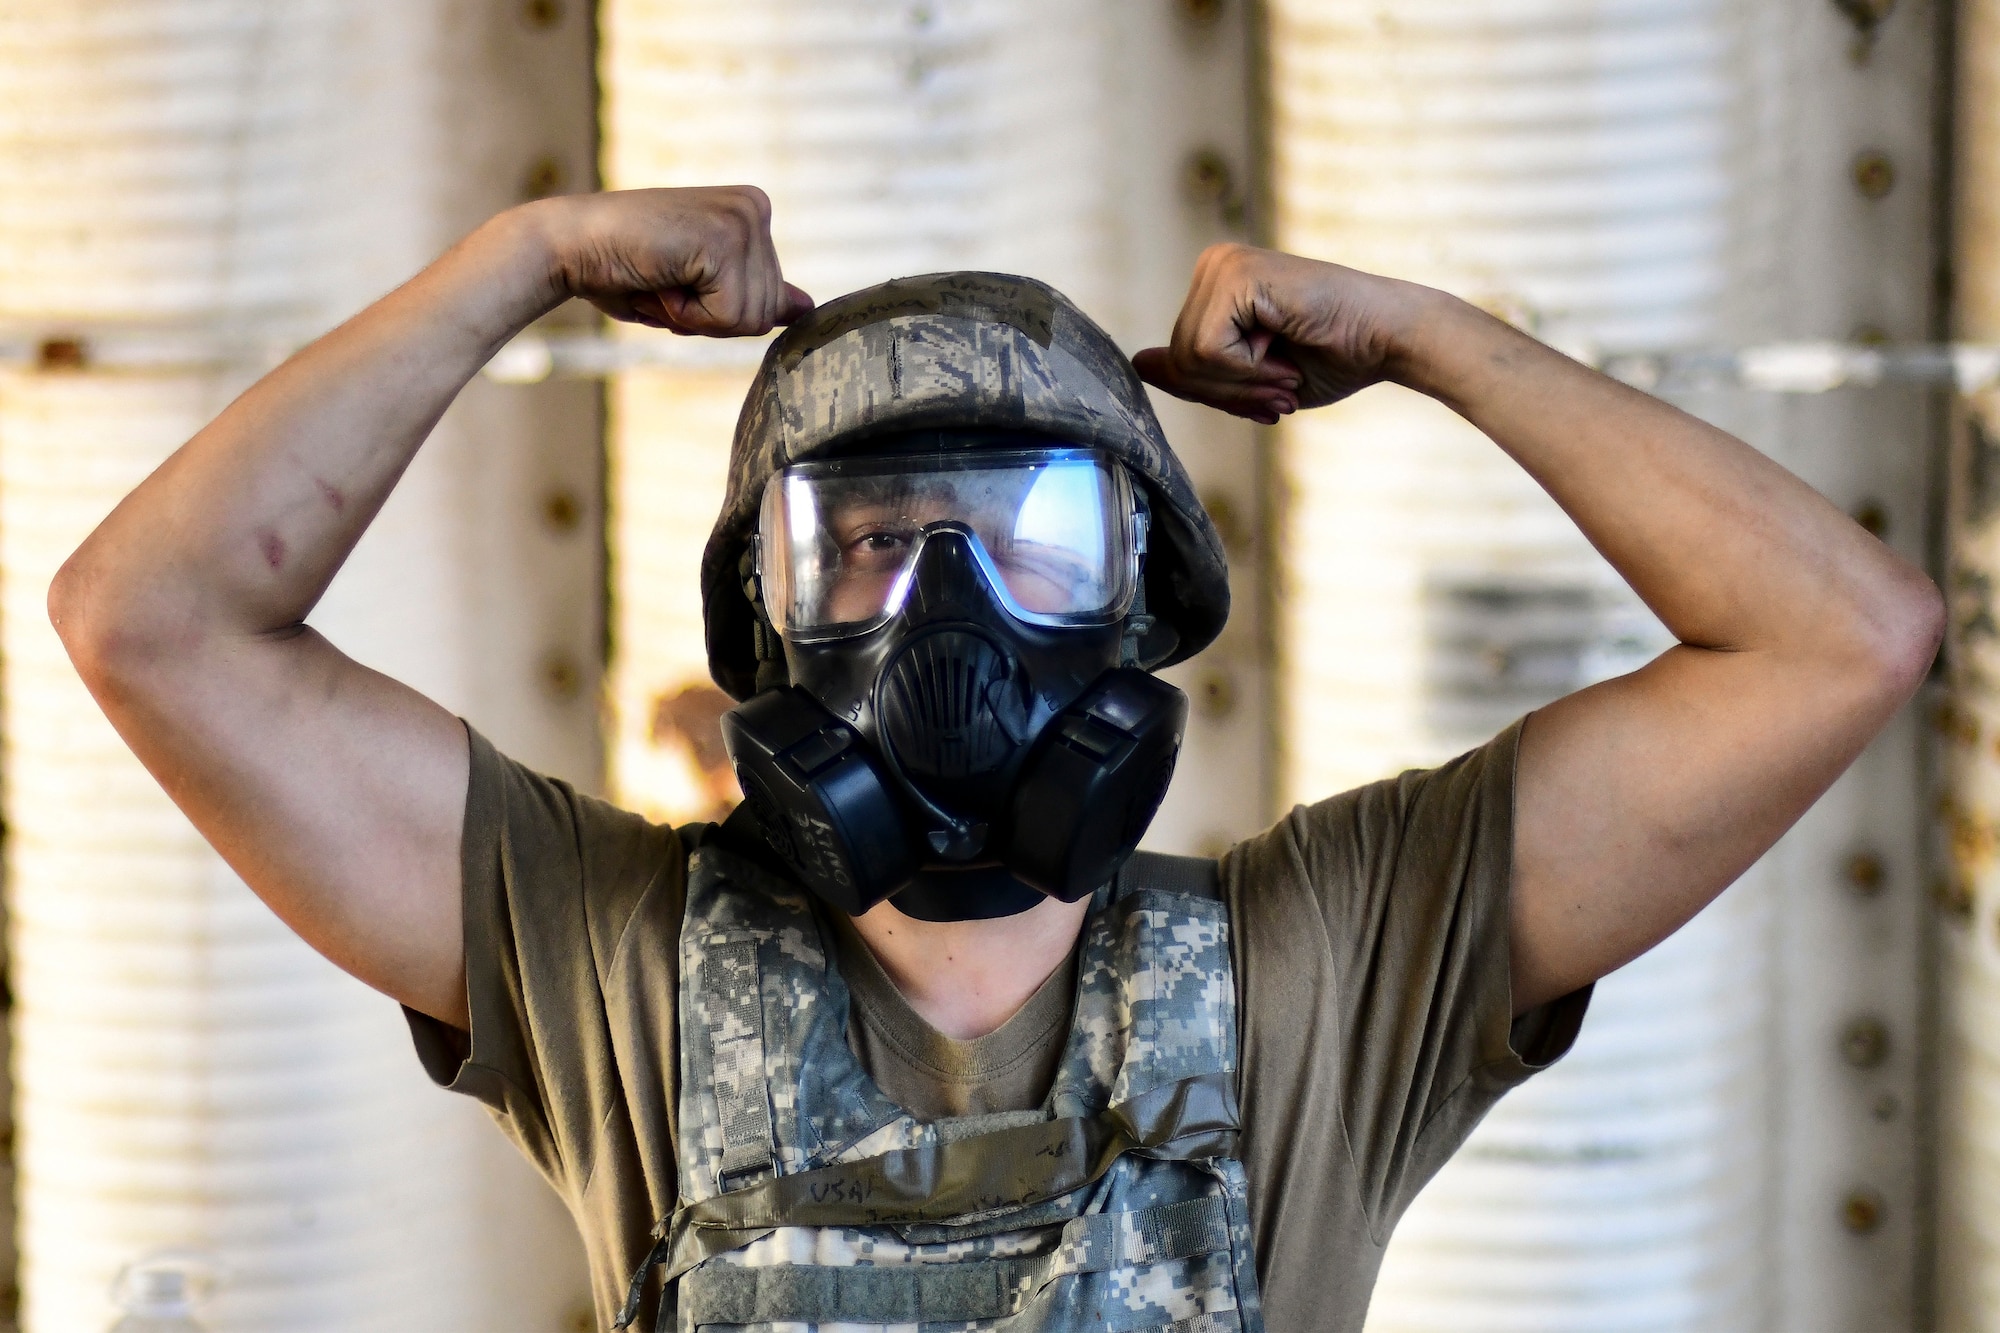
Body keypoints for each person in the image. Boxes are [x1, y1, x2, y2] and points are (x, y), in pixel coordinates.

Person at [50, 186, 1942, 1331]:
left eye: (1032, 529)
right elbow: (150, 623)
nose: (945, 596)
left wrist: (1440, 339)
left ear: (1142, 590)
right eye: (867, 538)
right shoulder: (615, 958)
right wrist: (517, 255)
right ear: (767, 614)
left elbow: (1840, 639)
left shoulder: (1331, 963)